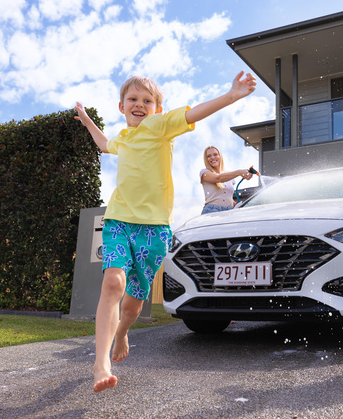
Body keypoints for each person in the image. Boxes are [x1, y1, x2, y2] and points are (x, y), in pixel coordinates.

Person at [74, 71, 257, 391]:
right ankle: (100, 362)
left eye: (147, 101)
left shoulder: (159, 127)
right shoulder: (123, 137)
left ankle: (122, 331)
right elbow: (105, 145)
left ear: (157, 110)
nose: (140, 105)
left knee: (131, 306)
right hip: (118, 221)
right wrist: (89, 122)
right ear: (121, 106)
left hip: (154, 230)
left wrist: (232, 96)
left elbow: (193, 112)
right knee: (113, 283)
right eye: (133, 99)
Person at [200, 146, 254, 214]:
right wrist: (239, 172)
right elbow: (219, 178)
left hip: (230, 211)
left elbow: (227, 196)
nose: (213, 157)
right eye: (209, 156)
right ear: (206, 159)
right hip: (211, 211)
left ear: (220, 156)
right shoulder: (204, 173)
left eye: (215, 154)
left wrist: (235, 204)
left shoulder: (229, 175)